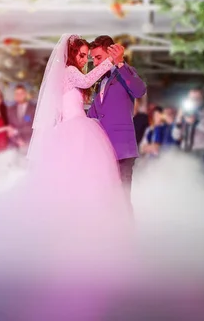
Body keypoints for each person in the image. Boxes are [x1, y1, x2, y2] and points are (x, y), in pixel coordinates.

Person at [26, 34, 131, 226]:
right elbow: (87, 81)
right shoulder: (70, 71)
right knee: (81, 174)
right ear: (72, 54)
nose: (85, 60)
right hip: (75, 128)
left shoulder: (66, 74)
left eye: (86, 56)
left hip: (74, 126)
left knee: (80, 177)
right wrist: (109, 60)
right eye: (82, 55)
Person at [87, 35, 147, 193]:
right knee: (105, 198)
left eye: (98, 57)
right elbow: (93, 114)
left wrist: (120, 63)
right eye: (93, 59)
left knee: (122, 198)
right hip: (102, 150)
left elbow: (140, 91)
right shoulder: (99, 82)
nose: (96, 63)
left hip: (122, 149)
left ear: (111, 53)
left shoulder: (125, 72)